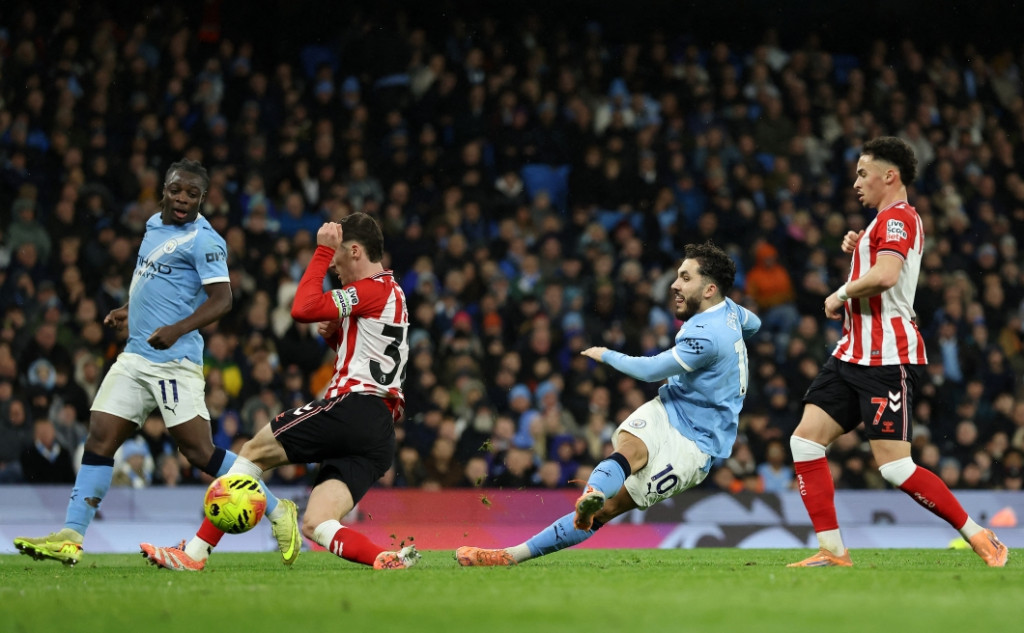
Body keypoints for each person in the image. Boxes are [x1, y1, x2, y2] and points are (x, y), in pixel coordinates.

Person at [13, 159, 300, 567]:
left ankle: (277, 510)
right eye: (176, 190)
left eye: (192, 194)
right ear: (164, 189)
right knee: (99, 437)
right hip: (135, 355)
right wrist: (129, 310)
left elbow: (223, 300)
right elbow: (154, 279)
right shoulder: (152, 224)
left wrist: (178, 329)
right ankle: (71, 536)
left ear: (203, 199)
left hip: (174, 360)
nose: (182, 199)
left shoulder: (206, 240)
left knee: (200, 452)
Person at [140, 213, 419, 571]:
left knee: (252, 452)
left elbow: (301, 308)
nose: (334, 269)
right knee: (317, 522)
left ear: (354, 251)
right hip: (379, 430)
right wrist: (337, 334)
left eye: (336, 260)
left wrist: (320, 251)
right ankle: (385, 558)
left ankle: (194, 554)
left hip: (354, 407)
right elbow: (371, 355)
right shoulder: (394, 293)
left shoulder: (369, 289)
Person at [456, 242, 761, 566]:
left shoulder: (707, 335)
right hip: (671, 407)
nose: (675, 284)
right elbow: (753, 323)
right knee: (627, 450)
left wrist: (606, 354)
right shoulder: (730, 311)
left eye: (685, 278)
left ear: (710, 288)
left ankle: (531, 543)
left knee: (608, 509)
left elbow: (649, 370)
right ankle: (588, 497)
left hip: (695, 445)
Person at [787, 137, 1008, 568]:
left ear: (890, 176)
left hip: (887, 356)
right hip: (852, 352)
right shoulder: (882, 224)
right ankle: (833, 552)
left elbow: (887, 276)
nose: (855, 183)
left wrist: (839, 293)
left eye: (862, 173)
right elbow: (881, 266)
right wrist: (859, 248)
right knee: (805, 442)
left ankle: (981, 536)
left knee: (894, 468)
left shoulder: (898, 219)